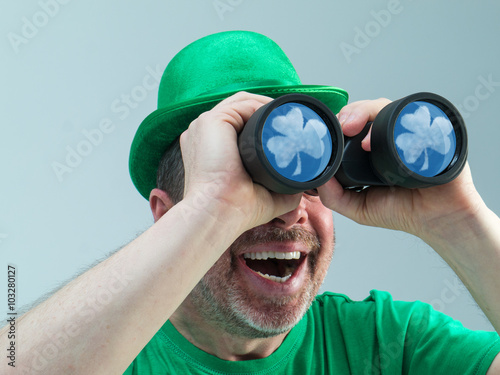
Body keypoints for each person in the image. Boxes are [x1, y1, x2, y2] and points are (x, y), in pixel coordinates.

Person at [1, 30, 500, 374]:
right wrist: (211, 210)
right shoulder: (104, 353)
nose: (288, 211)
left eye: (309, 178)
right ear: (168, 216)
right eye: (251, 186)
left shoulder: (388, 346)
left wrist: (458, 221)